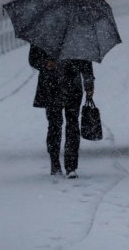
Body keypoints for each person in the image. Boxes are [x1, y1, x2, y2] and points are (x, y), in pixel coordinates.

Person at [29, 45, 94, 178]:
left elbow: (86, 61)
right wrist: (45, 64)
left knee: (72, 125)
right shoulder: (45, 34)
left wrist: (89, 84)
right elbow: (33, 59)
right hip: (51, 87)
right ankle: (55, 163)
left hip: (72, 87)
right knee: (54, 125)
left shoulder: (76, 34)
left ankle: (71, 166)